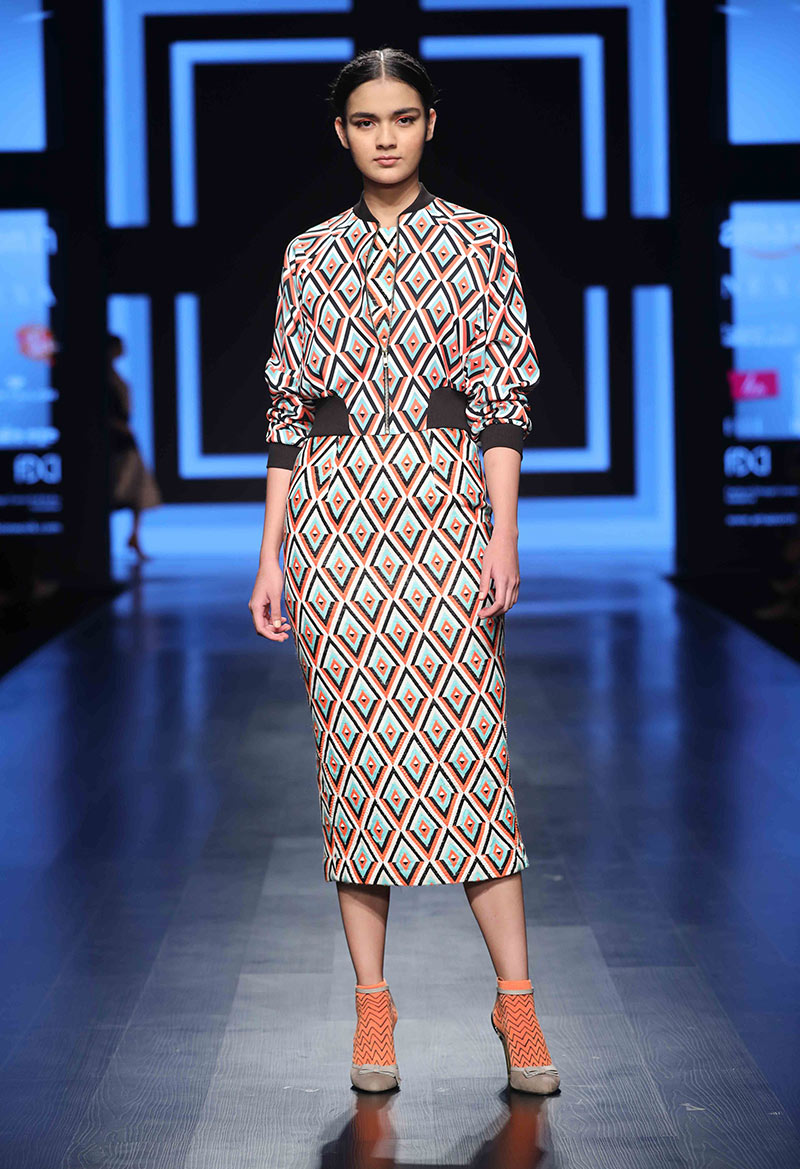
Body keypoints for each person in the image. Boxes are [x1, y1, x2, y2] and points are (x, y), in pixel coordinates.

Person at [248, 47, 559, 1096]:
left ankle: (517, 1004)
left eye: (402, 117)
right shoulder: (308, 255)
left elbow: (503, 397)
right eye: (366, 120)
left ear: (431, 123)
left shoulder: (480, 240)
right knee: (354, 777)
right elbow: (288, 414)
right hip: (336, 534)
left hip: (444, 522)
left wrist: (501, 535)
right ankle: (372, 1009)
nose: (385, 136)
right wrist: (271, 554)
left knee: (474, 767)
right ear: (341, 133)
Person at [106, 333, 161, 560]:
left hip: (125, 439)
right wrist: (117, 426)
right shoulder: (104, 379)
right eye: (119, 346)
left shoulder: (114, 376)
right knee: (117, 488)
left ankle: (135, 536)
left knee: (138, 487)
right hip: (114, 441)